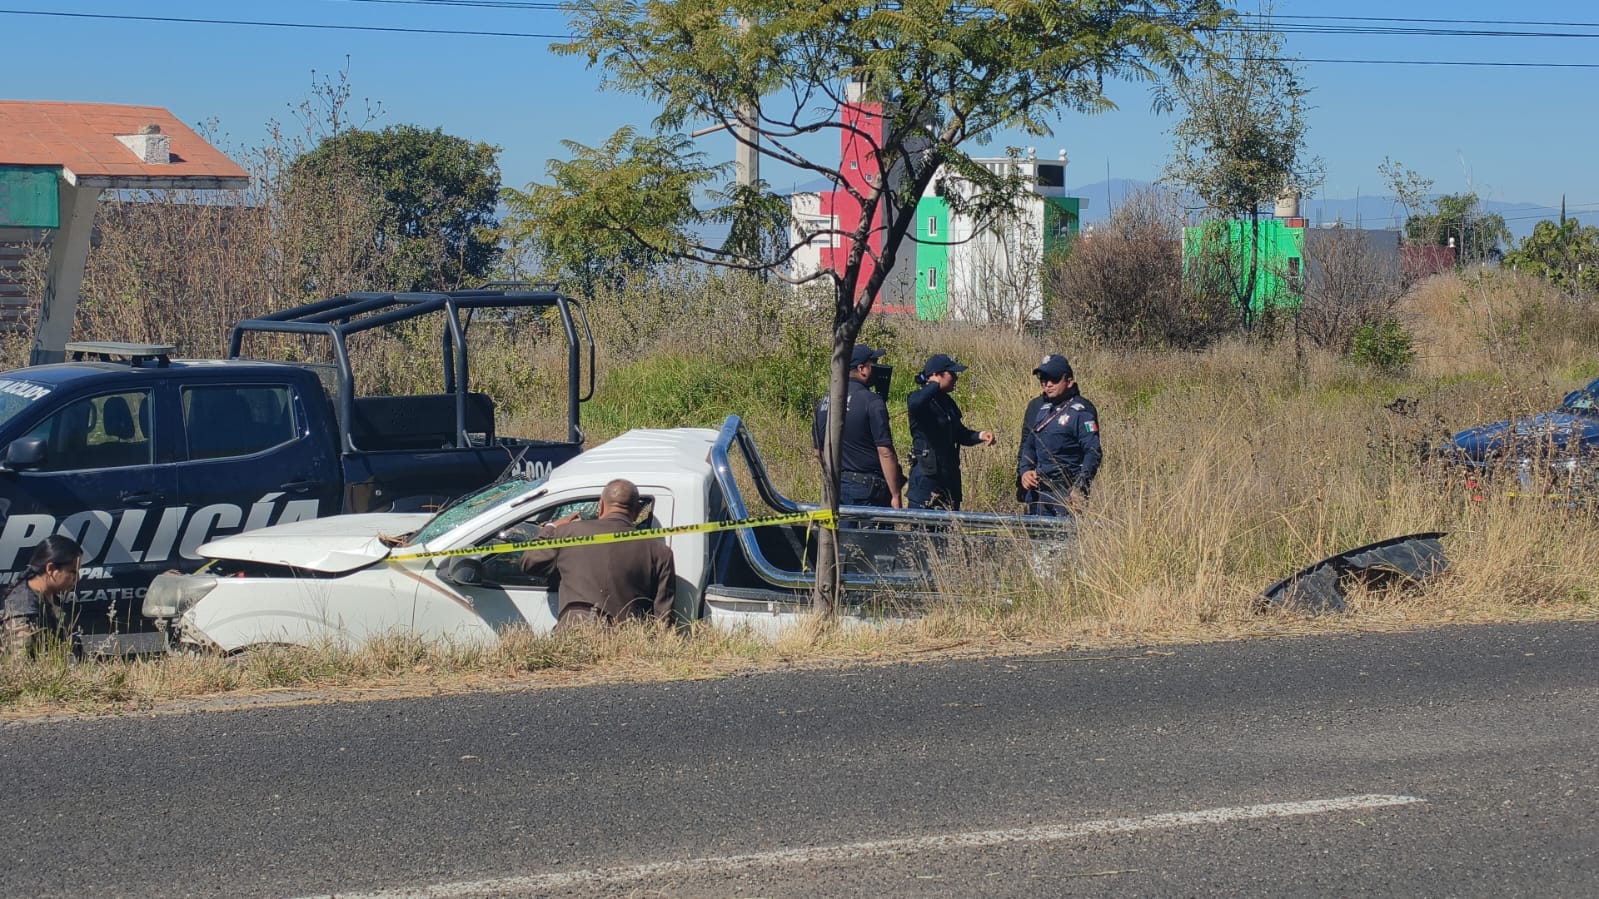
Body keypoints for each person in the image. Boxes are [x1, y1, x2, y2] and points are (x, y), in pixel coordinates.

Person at [519, 478, 675, 631]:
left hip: (574, 636)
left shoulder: (568, 534)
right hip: (626, 647)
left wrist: (551, 528)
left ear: (600, 506)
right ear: (638, 512)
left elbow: (529, 562)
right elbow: (662, 620)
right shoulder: (660, 552)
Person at [812, 344, 904, 508]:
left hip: (835, 485)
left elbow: (818, 453)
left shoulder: (825, 402)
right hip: (868, 489)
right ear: (863, 369)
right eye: (874, 363)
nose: (877, 368)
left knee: (842, 532)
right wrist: (896, 494)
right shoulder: (872, 401)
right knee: (870, 534)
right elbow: (885, 452)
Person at [906, 353, 996, 510]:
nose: (956, 378)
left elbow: (959, 433)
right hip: (925, 481)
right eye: (952, 374)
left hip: (948, 480)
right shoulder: (920, 400)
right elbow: (915, 404)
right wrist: (933, 384)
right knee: (921, 532)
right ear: (936, 375)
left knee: (947, 532)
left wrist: (980, 435)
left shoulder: (947, 402)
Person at [1017, 354, 1102, 517]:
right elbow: (1029, 444)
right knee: (1038, 540)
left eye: (1054, 379)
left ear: (1069, 381)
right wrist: (1025, 470)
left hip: (1067, 492)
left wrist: (1080, 487)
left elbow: (1093, 451)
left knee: (1064, 540)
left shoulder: (1081, 410)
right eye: (1043, 379)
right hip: (1040, 491)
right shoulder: (1042, 410)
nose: (1047, 384)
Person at [1, 535, 84, 657]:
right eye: (72, 571)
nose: (77, 579)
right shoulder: (23, 613)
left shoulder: (49, 598)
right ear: (50, 569)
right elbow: (21, 668)